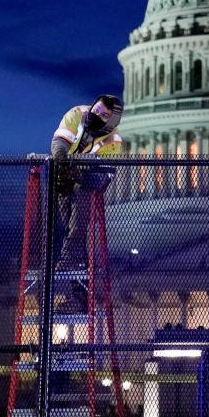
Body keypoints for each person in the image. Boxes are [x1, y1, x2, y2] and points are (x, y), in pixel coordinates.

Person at [49, 95, 124, 282]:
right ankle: (75, 272)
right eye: (96, 109)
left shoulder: (113, 141)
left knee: (78, 222)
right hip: (62, 173)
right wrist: (63, 162)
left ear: (112, 121)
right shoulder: (77, 114)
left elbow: (102, 177)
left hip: (87, 182)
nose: (96, 115)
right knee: (68, 228)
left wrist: (78, 175)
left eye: (104, 115)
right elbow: (60, 142)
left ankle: (69, 260)